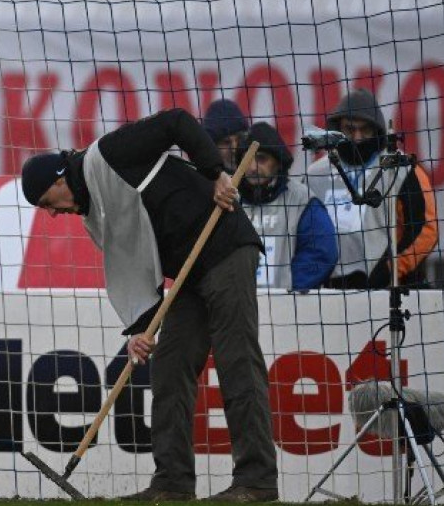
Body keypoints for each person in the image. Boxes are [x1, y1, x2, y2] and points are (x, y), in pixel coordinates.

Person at [21, 108, 278, 503]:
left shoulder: (111, 153)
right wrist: (141, 329)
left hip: (225, 246)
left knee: (237, 362)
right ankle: (172, 484)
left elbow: (177, 122)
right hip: (188, 274)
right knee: (170, 369)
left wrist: (217, 175)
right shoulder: (95, 213)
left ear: (58, 179)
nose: (53, 214)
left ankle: (257, 481)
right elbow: (132, 267)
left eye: (47, 202)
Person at [304, 89, 439, 289]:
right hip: (329, 289)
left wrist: (389, 269)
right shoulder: (315, 174)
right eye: (350, 129)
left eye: (365, 130)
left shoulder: (401, 168)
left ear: (377, 131)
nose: (357, 137)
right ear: (337, 128)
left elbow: (425, 230)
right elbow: (300, 232)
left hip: (387, 287)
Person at [240, 123, 339, 291]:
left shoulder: (302, 199)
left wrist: (291, 288)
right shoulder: (229, 198)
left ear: (278, 162)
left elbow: (322, 253)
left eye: (261, 159)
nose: (252, 167)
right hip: (237, 302)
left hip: (285, 302)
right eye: (246, 159)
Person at [203, 98, 250, 174]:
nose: (234, 149)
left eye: (239, 139)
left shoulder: (259, 176)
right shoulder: (199, 179)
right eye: (226, 142)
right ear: (212, 147)